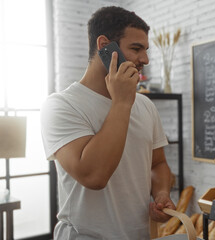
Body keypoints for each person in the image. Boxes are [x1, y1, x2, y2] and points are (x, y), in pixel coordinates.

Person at [40, 6, 175, 239]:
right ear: (105, 47)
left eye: (146, 50)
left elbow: (158, 164)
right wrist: (122, 102)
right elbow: (94, 176)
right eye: (136, 49)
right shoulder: (61, 105)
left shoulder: (145, 106)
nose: (145, 59)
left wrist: (161, 193)